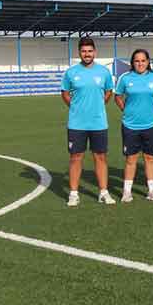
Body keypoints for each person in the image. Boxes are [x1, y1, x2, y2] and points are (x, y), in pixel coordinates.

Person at [60, 37, 116, 207]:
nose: (87, 54)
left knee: (100, 157)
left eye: (90, 51)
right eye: (84, 51)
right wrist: (76, 107)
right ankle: (74, 193)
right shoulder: (71, 73)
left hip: (98, 123)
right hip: (77, 124)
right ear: (79, 53)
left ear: (95, 52)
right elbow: (64, 93)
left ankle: (103, 192)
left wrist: (97, 106)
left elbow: (108, 92)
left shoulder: (103, 72)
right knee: (76, 157)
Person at [114, 49, 153, 202]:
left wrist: (152, 108)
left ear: (148, 62)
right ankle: (127, 192)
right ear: (132, 62)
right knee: (131, 159)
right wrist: (125, 109)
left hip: (151, 124)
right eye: (137, 61)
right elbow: (117, 96)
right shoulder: (125, 78)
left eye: (143, 60)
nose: (140, 63)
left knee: (149, 157)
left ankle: (152, 190)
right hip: (130, 125)